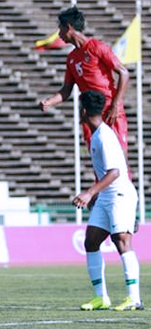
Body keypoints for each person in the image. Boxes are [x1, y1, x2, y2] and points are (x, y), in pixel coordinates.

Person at [73, 91, 142, 311]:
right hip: (107, 195)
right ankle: (101, 297)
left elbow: (114, 172)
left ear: (83, 110)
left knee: (121, 241)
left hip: (119, 194)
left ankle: (134, 298)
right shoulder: (97, 135)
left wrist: (89, 193)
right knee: (91, 241)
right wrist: (97, 194)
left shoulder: (103, 136)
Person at [39, 6, 130, 154]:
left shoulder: (97, 47)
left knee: (119, 155)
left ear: (68, 27)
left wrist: (116, 105)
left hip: (110, 110)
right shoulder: (71, 59)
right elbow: (66, 90)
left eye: (60, 29)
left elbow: (124, 73)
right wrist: (49, 102)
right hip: (90, 114)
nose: (59, 34)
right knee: (99, 157)